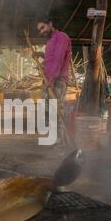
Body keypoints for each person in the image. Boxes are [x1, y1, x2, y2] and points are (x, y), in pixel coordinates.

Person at [35, 17, 72, 146]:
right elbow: (51, 59)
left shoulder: (62, 37)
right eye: (39, 30)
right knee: (47, 110)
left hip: (57, 80)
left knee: (56, 110)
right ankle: (54, 138)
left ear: (50, 24)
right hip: (48, 80)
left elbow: (58, 59)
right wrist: (41, 55)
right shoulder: (50, 41)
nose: (41, 32)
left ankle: (61, 141)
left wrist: (51, 79)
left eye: (42, 28)